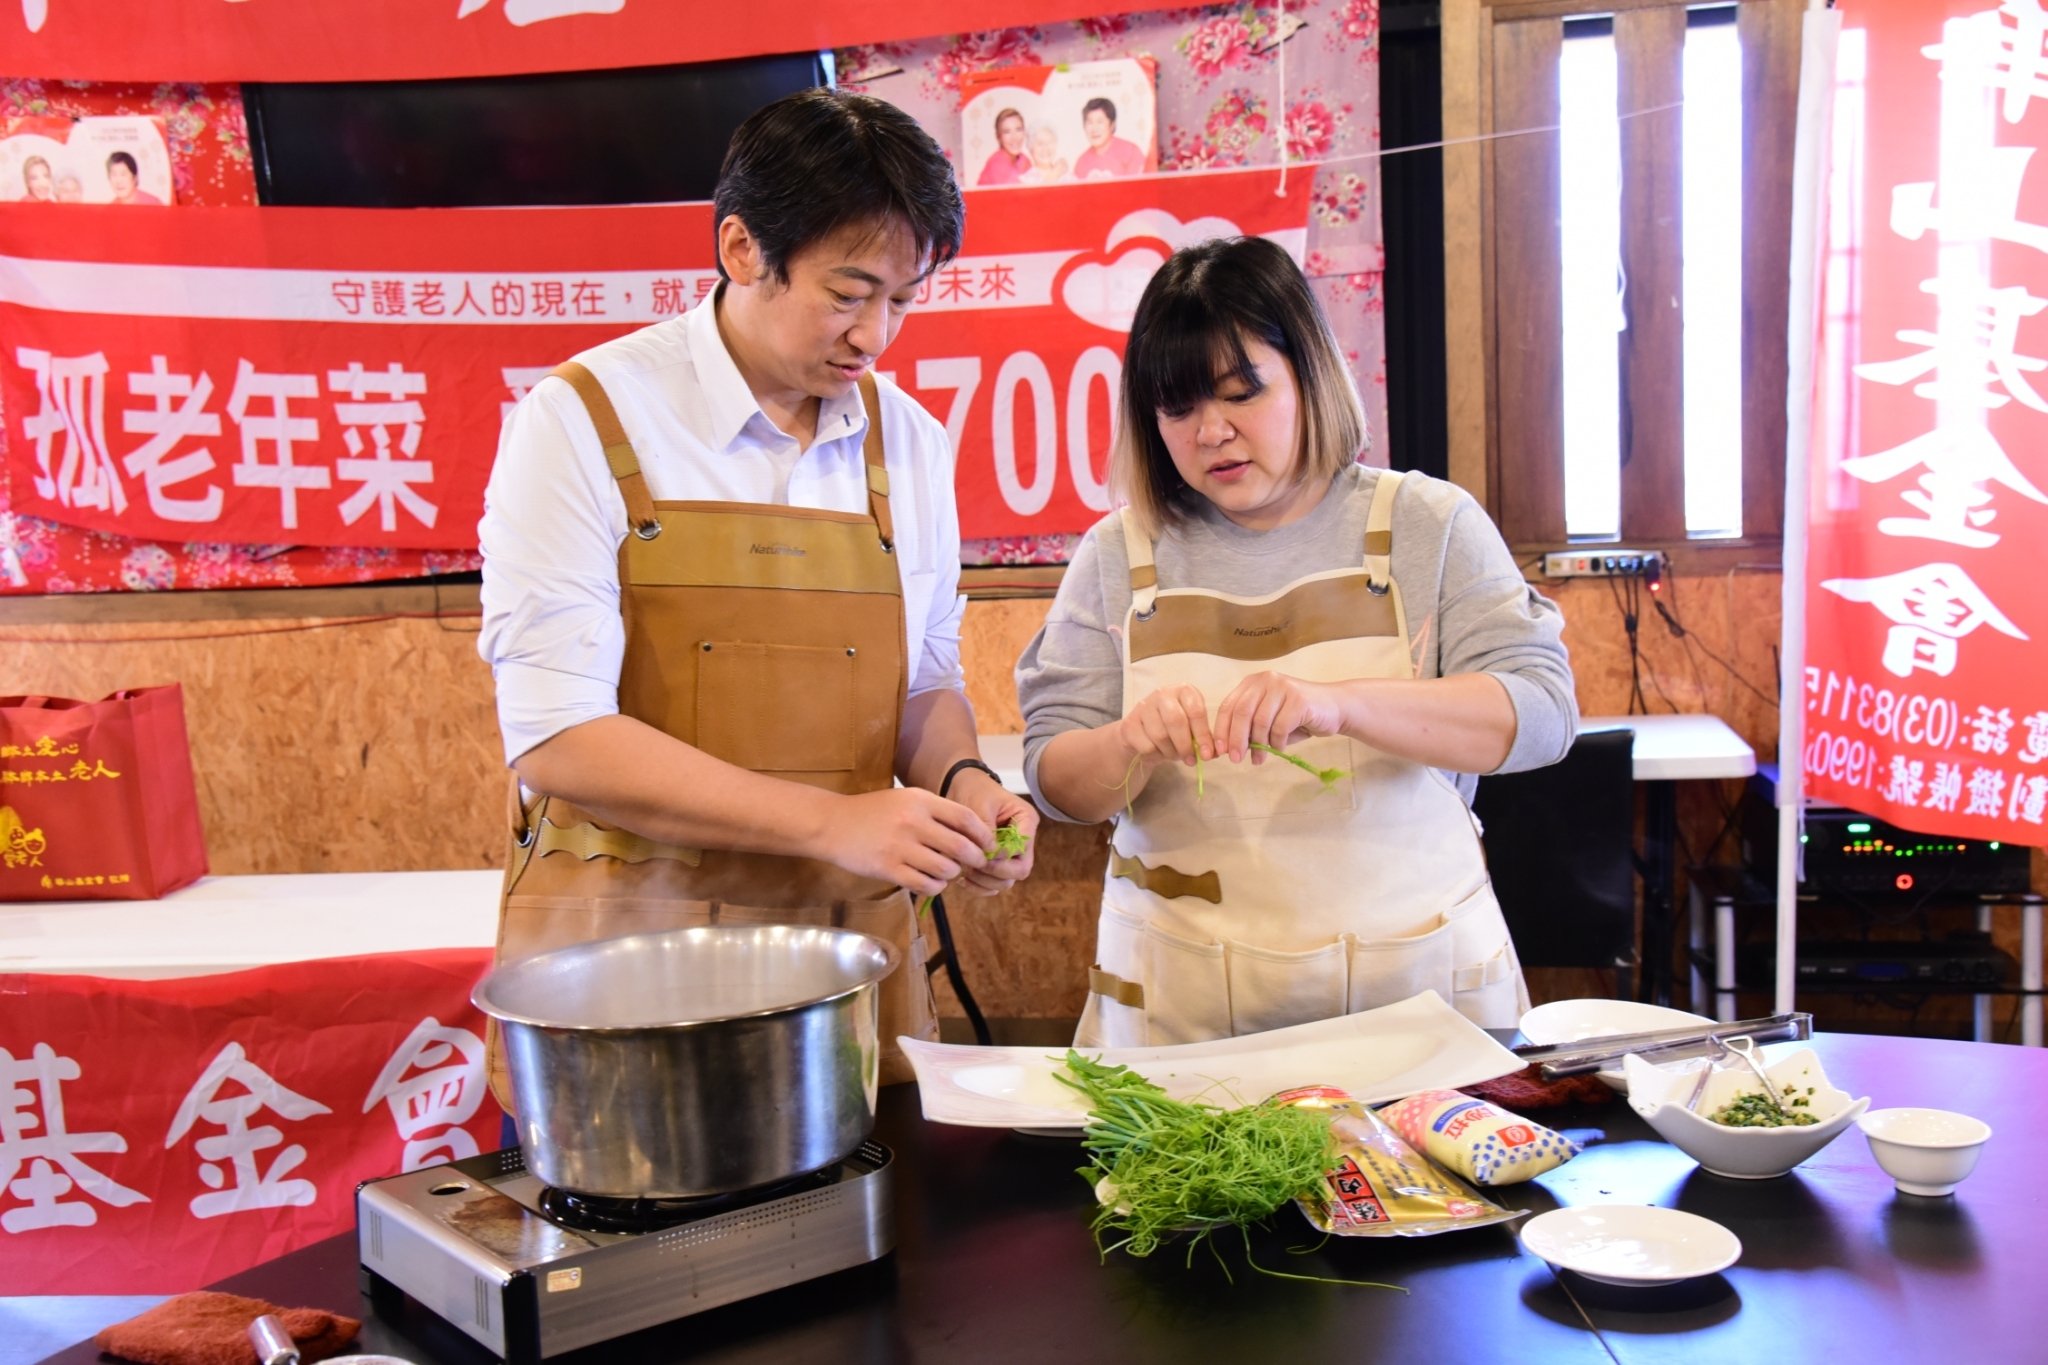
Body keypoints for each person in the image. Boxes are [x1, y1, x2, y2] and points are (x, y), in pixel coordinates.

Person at [478, 88, 1038, 1096]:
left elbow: (924, 680)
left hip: (845, 961)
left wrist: (961, 782)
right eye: (848, 292)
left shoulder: (909, 441)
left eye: (902, 300)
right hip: (625, 974)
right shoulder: (583, 419)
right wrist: (831, 822)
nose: (875, 334)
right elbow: (558, 733)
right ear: (742, 249)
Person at [1016, 236, 1575, 1048]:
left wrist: (1342, 706)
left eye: (1241, 393)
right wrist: (1128, 744)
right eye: (1178, 408)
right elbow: (1055, 780)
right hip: (1183, 1013)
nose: (1212, 431)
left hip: (1416, 998)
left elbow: (1544, 714)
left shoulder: (1427, 523)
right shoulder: (1117, 555)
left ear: (1310, 373)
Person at [1072, 97, 1146, 180]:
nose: (1094, 129)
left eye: (1100, 122)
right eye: (1090, 122)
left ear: (1112, 125)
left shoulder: (1131, 152)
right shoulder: (1081, 163)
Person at [976, 107, 1032, 186]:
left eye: (1018, 129)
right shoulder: (996, 164)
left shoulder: (1024, 159)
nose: (1014, 137)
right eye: (1007, 132)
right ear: (998, 136)